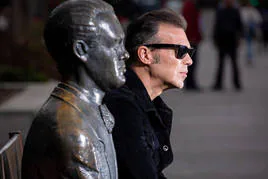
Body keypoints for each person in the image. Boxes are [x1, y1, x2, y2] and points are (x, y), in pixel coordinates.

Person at [21, 0, 129, 178]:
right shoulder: (73, 131)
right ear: (81, 50)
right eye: (115, 44)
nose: (124, 54)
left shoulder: (86, 109)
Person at [104, 9, 193, 178]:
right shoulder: (122, 106)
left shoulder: (146, 103)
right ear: (145, 55)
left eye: (190, 52)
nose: (189, 60)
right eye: (181, 51)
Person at [212, 0, 243, 91]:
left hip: (232, 41)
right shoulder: (220, 11)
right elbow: (216, 25)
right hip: (222, 41)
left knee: (234, 64)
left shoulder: (235, 11)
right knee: (221, 64)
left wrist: (240, 38)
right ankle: (218, 83)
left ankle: (237, 83)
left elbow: (239, 26)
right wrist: (215, 39)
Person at [182, 0, 202, 90]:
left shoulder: (190, 4)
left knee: (191, 62)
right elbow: (190, 23)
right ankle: (190, 83)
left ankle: (190, 83)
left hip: (191, 37)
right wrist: (193, 37)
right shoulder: (190, 5)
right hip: (191, 38)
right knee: (191, 62)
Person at [240, 0, 262, 66]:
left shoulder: (254, 11)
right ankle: (248, 56)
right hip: (246, 30)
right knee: (248, 44)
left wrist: (253, 23)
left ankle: (250, 57)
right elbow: (241, 19)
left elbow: (259, 20)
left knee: (251, 44)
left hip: (252, 30)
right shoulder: (243, 10)